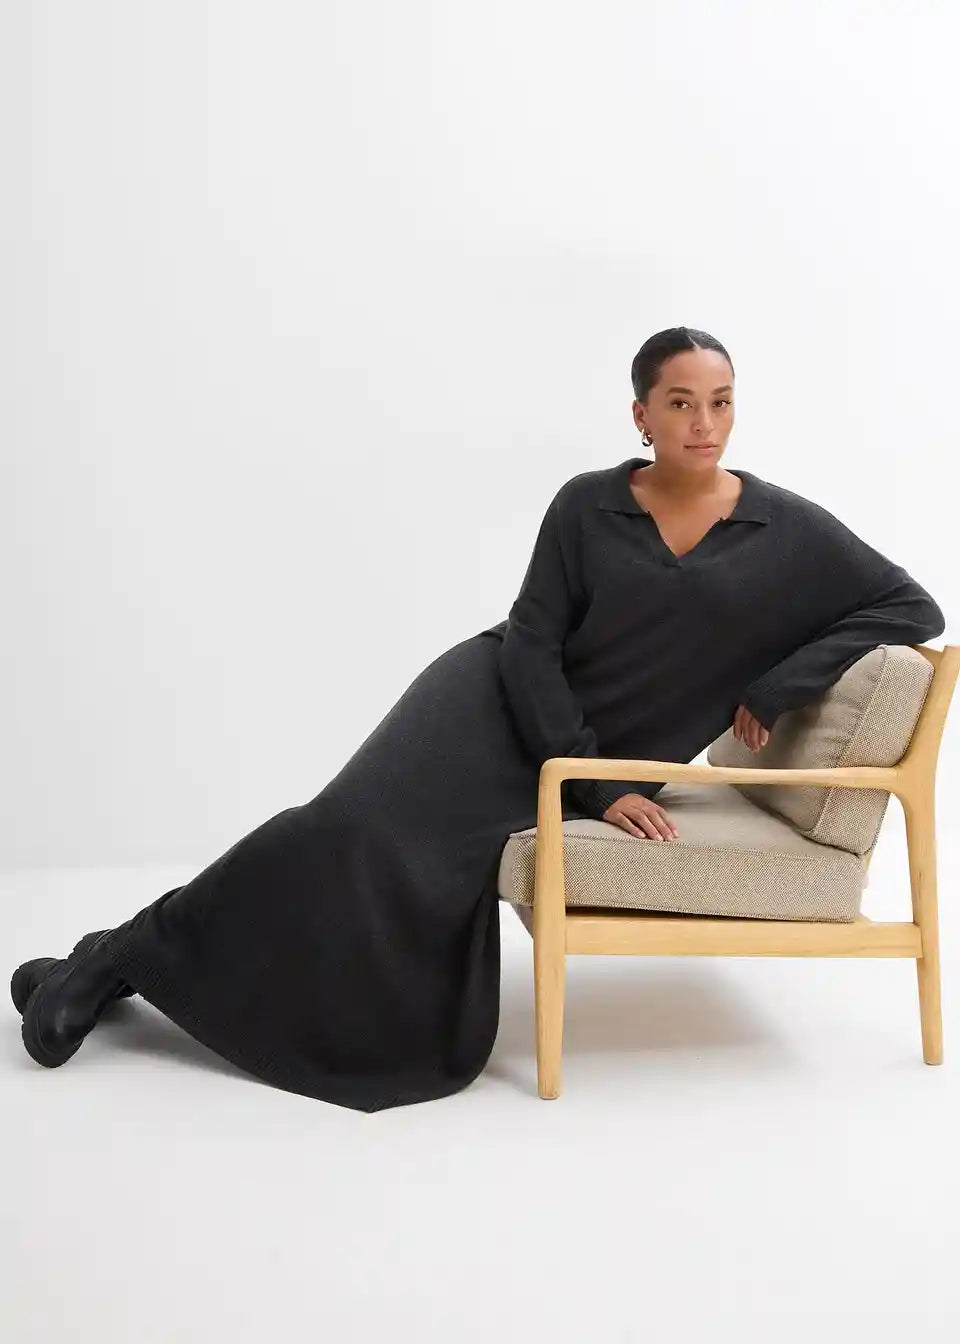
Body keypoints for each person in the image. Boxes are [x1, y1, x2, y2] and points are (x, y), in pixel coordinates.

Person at [10, 326, 946, 1112]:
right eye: (680, 403)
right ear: (641, 415)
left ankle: (126, 962)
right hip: (491, 703)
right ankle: (113, 958)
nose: (704, 424)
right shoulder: (587, 505)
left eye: (721, 402)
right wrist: (588, 779)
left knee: (412, 878)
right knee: (339, 830)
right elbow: (531, 643)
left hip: (597, 761)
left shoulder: (784, 528)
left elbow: (912, 605)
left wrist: (780, 684)